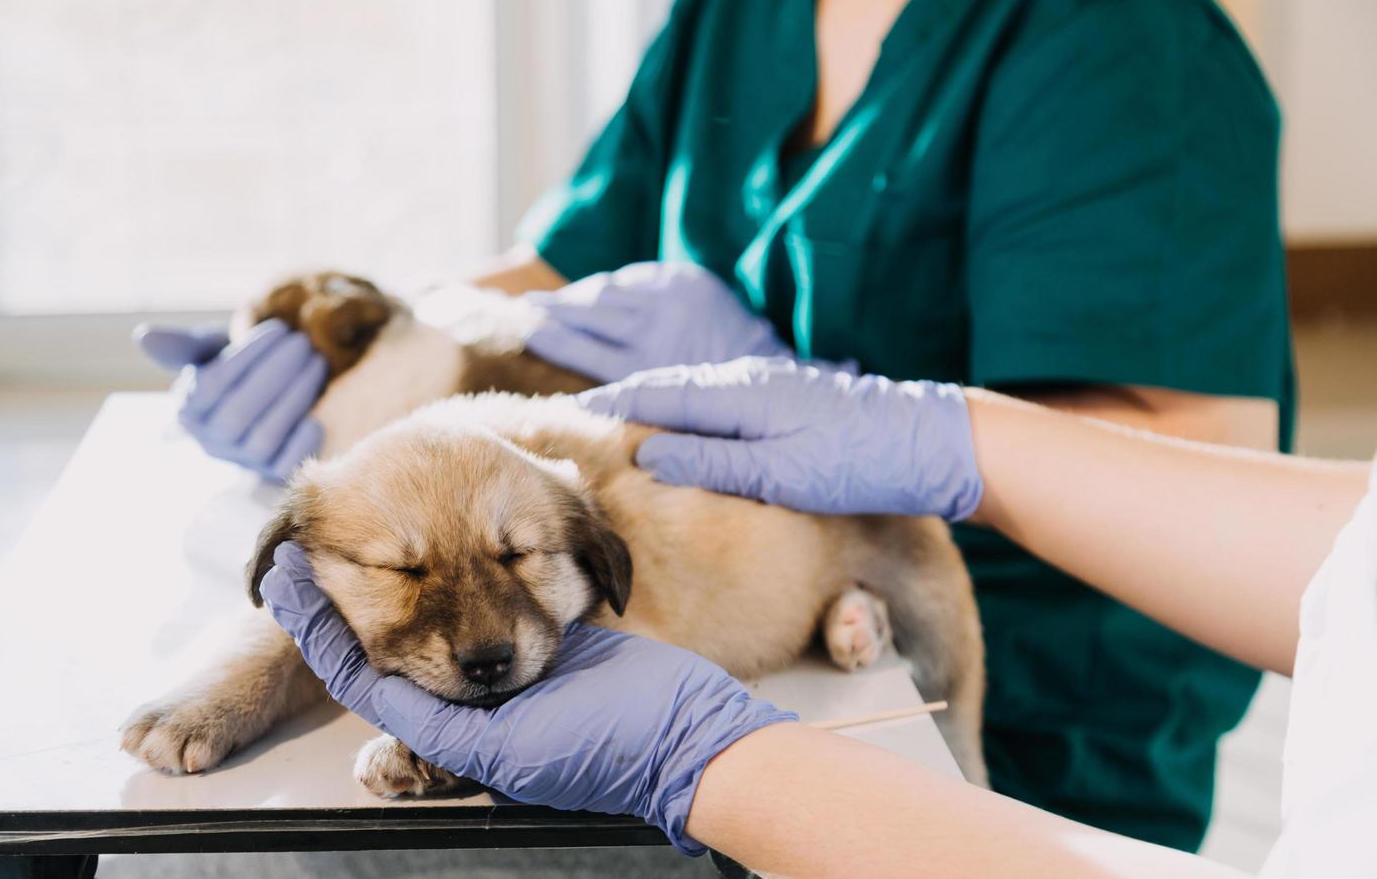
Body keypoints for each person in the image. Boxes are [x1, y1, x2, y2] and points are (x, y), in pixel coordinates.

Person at [144, 0, 1294, 849]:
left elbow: (1208, 464)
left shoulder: (1121, 35)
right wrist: (380, 352)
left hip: (1005, 689)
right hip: (710, 623)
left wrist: (850, 407)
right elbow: (562, 264)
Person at [261, 356, 1374, 878]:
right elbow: (1351, 559)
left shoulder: (1119, 25)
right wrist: (962, 439)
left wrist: (717, 763)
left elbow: (1215, 406)